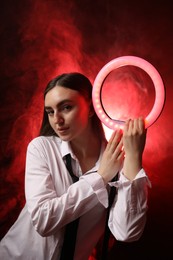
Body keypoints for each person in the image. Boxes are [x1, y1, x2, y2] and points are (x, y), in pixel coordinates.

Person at [0, 72, 151, 260]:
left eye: (66, 107)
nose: (57, 120)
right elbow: (43, 221)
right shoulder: (41, 148)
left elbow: (127, 232)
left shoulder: (118, 164)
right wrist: (100, 177)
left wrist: (134, 157)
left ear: (90, 107)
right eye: (50, 111)